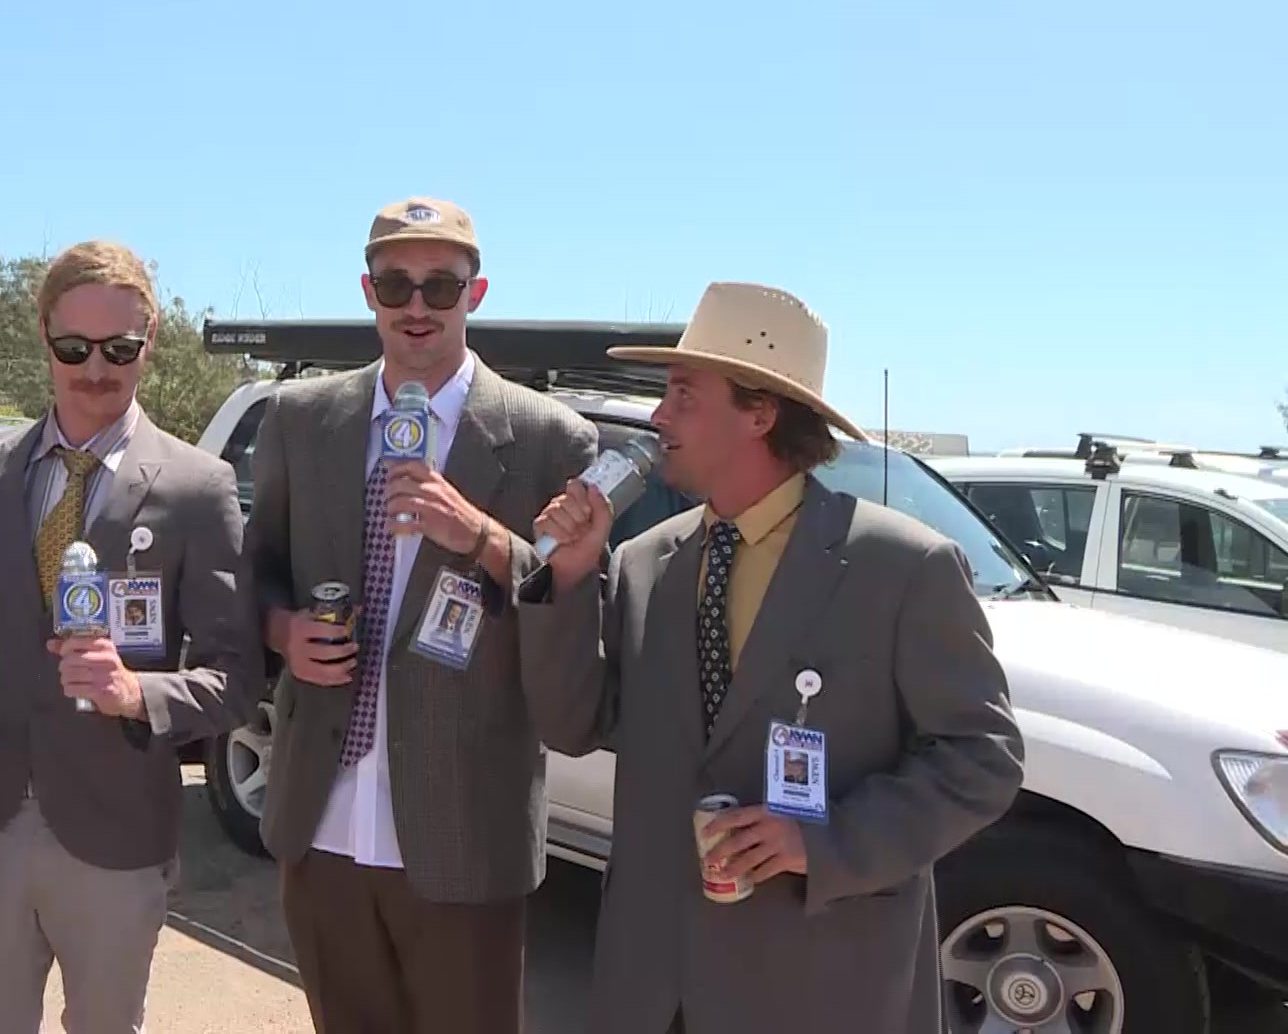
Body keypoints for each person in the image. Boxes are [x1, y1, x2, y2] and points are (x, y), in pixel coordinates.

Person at [520, 281, 1026, 1034]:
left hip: (821, 986)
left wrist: (823, 842)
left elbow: (981, 758)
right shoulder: (643, 562)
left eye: (684, 395)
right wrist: (567, 578)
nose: (658, 417)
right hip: (656, 985)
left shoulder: (901, 566)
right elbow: (572, 724)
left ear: (760, 412)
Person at [0, 239, 263, 1034]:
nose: (96, 368)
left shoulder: (197, 487)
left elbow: (236, 682)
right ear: (43, 334)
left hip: (118, 836)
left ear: (149, 341)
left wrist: (135, 693)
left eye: (120, 348)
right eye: (73, 347)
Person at [247, 196, 598, 1034]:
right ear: (367, 291)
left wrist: (479, 535)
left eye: (441, 287)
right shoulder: (302, 419)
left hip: (462, 838)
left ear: (476, 297)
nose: (416, 307)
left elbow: (575, 615)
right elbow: (255, 571)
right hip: (322, 823)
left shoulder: (551, 440)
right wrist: (280, 632)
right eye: (396, 285)